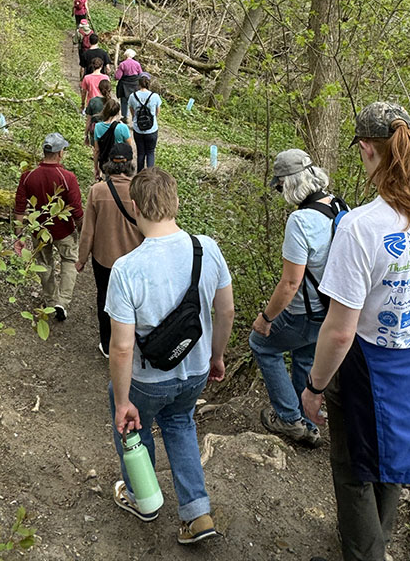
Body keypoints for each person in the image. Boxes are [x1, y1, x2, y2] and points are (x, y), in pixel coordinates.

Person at [302, 102, 410, 561]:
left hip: (369, 367)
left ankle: (366, 551)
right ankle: (375, 537)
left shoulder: (360, 227)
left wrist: (315, 386)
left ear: (366, 150)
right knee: (395, 458)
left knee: (354, 467)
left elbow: (340, 332)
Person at [105, 167, 235, 544]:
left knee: (132, 421)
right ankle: (197, 514)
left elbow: (123, 346)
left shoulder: (127, 270)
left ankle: (142, 497)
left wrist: (123, 399)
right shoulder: (206, 248)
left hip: (148, 380)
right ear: (175, 202)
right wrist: (216, 356)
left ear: (135, 207)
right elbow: (225, 310)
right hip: (194, 371)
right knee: (180, 424)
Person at [249, 148, 342, 448]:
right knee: (304, 356)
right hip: (332, 310)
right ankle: (306, 420)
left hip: (303, 312)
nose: (278, 192)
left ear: (288, 184)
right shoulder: (340, 206)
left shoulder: (300, 221)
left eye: (279, 186)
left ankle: (289, 419)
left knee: (261, 345)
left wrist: (265, 319)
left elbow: (291, 283)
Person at [76, 142, 142, 358]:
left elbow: (88, 231)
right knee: (134, 300)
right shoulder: (140, 191)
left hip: (104, 258)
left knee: (104, 298)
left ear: (108, 165)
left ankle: (107, 343)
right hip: (134, 258)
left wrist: (81, 258)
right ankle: (132, 341)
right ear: (131, 164)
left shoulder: (97, 191)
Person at [14, 132, 84, 322]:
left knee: (44, 264)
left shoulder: (28, 177)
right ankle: (62, 301)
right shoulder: (67, 177)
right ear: (60, 153)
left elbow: (20, 207)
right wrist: (82, 230)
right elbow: (76, 210)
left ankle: (51, 301)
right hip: (64, 230)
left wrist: (19, 235)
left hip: (39, 229)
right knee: (69, 260)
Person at [128, 74, 161, 171]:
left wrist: (136, 118)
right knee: (150, 152)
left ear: (139, 84)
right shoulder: (155, 96)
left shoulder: (132, 96)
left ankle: (139, 174)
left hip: (138, 129)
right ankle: (150, 175)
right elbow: (157, 112)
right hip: (152, 129)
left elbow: (132, 111)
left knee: (140, 153)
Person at [94, 98, 132, 176]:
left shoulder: (97, 127)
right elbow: (129, 147)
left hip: (105, 161)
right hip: (120, 162)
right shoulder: (123, 127)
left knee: (108, 182)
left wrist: (96, 168)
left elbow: (97, 150)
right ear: (118, 112)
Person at [115, 48, 143, 120]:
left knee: (124, 101)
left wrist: (116, 71)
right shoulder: (137, 64)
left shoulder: (122, 64)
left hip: (124, 85)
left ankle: (125, 116)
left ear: (125, 55)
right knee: (135, 101)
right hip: (135, 85)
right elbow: (141, 75)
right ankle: (135, 117)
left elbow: (118, 77)